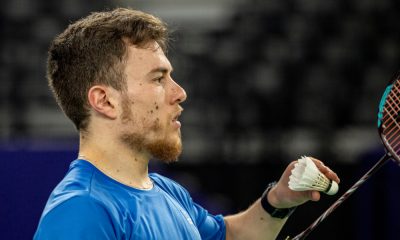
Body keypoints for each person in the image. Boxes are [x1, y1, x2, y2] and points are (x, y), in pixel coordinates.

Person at [34, 7, 340, 240]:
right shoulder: (81, 211)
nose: (180, 93)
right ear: (105, 101)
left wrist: (279, 201)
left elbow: (228, 236)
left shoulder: (166, 191)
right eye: (158, 78)